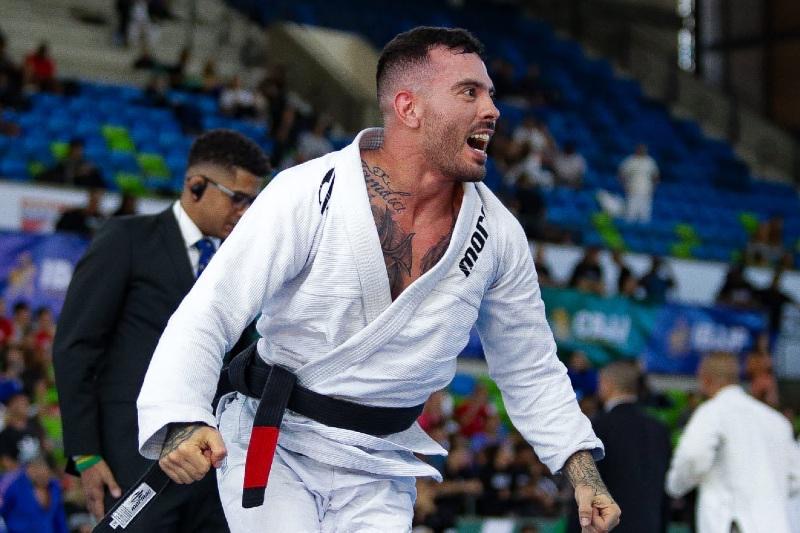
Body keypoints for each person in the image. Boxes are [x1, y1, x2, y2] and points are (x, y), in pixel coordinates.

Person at [137, 27, 620, 533]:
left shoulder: (497, 235)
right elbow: (211, 310)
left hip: (380, 465)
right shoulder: (308, 193)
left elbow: (530, 366)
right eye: (469, 92)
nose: (492, 110)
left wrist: (582, 471)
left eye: (490, 94)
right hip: (274, 440)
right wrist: (183, 417)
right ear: (409, 108)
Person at [53, 129, 269, 530]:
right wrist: (85, 453)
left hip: (213, 464)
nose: (244, 212)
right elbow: (76, 348)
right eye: (237, 198)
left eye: (252, 201)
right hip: (133, 455)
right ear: (196, 185)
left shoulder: (238, 262)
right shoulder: (126, 239)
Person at [666, 352, 800, 533]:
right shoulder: (776, 420)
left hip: (734, 523)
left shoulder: (712, 412)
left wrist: (676, 486)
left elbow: (693, 455)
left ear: (705, 379)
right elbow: (796, 476)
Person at [569, 362, 671, 533]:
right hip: (650, 525)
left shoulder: (597, 427)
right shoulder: (658, 429)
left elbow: (585, 483)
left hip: (607, 526)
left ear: (606, 384)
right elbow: (664, 487)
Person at [0, 453, 68, 533]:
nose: (40, 474)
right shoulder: (14, 487)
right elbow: (3, 512)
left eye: (45, 472)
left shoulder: (55, 488)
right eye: (36, 469)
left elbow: (59, 520)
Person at [38, 138, 106, 189]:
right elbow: (50, 177)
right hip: (65, 192)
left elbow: (100, 185)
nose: (78, 152)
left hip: (82, 192)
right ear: (70, 150)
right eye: (76, 150)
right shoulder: (63, 164)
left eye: (80, 150)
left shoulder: (87, 166)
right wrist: (76, 174)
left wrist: (87, 172)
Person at [618, 144, 658, 224]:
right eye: (640, 149)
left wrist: (653, 188)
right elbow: (621, 174)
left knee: (645, 217)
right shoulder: (630, 161)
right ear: (637, 149)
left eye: (644, 149)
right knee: (630, 216)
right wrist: (625, 186)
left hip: (646, 193)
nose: (642, 151)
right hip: (633, 192)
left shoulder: (650, 161)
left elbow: (655, 176)